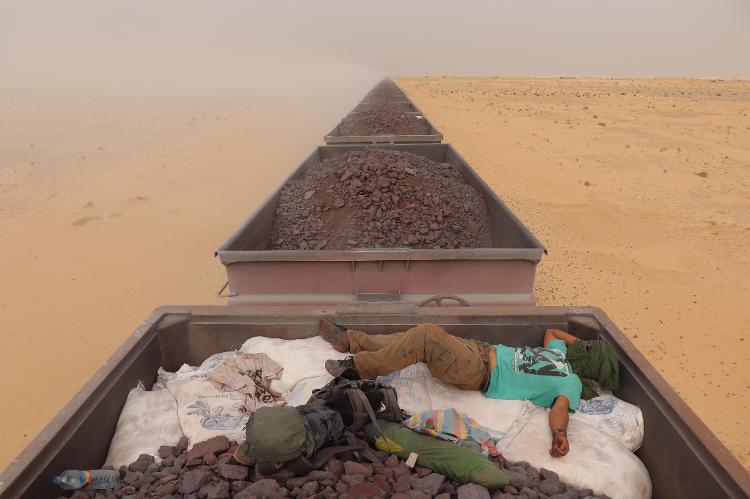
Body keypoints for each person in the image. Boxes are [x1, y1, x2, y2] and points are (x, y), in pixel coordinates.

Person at [319, 320, 620, 458]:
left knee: (426, 335)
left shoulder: (572, 382)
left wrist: (560, 435)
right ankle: (352, 341)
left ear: (591, 366)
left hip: (478, 371)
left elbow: (559, 409)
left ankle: (358, 368)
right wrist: (577, 345)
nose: (584, 348)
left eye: (591, 351)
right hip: (480, 349)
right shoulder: (560, 354)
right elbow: (552, 331)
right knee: (412, 338)